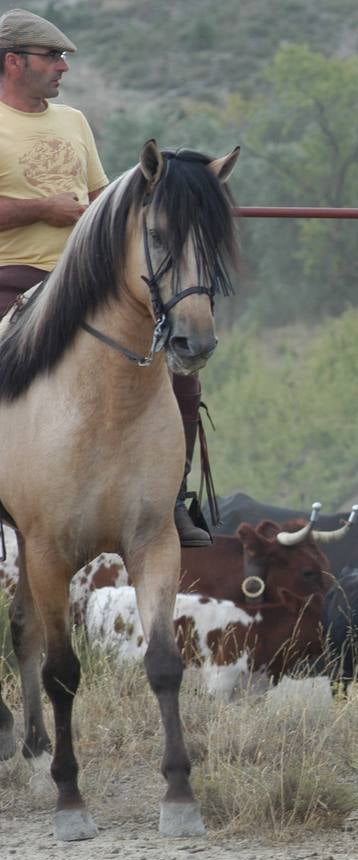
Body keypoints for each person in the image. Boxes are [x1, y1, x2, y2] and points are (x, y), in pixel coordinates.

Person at [0, 8, 212, 546]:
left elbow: (100, 203)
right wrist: (41, 209)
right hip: (9, 274)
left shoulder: (73, 122)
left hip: (79, 282)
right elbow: (57, 207)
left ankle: (171, 498)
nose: (63, 67)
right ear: (12, 61)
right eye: (52, 57)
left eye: (63, 58)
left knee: (176, 361)